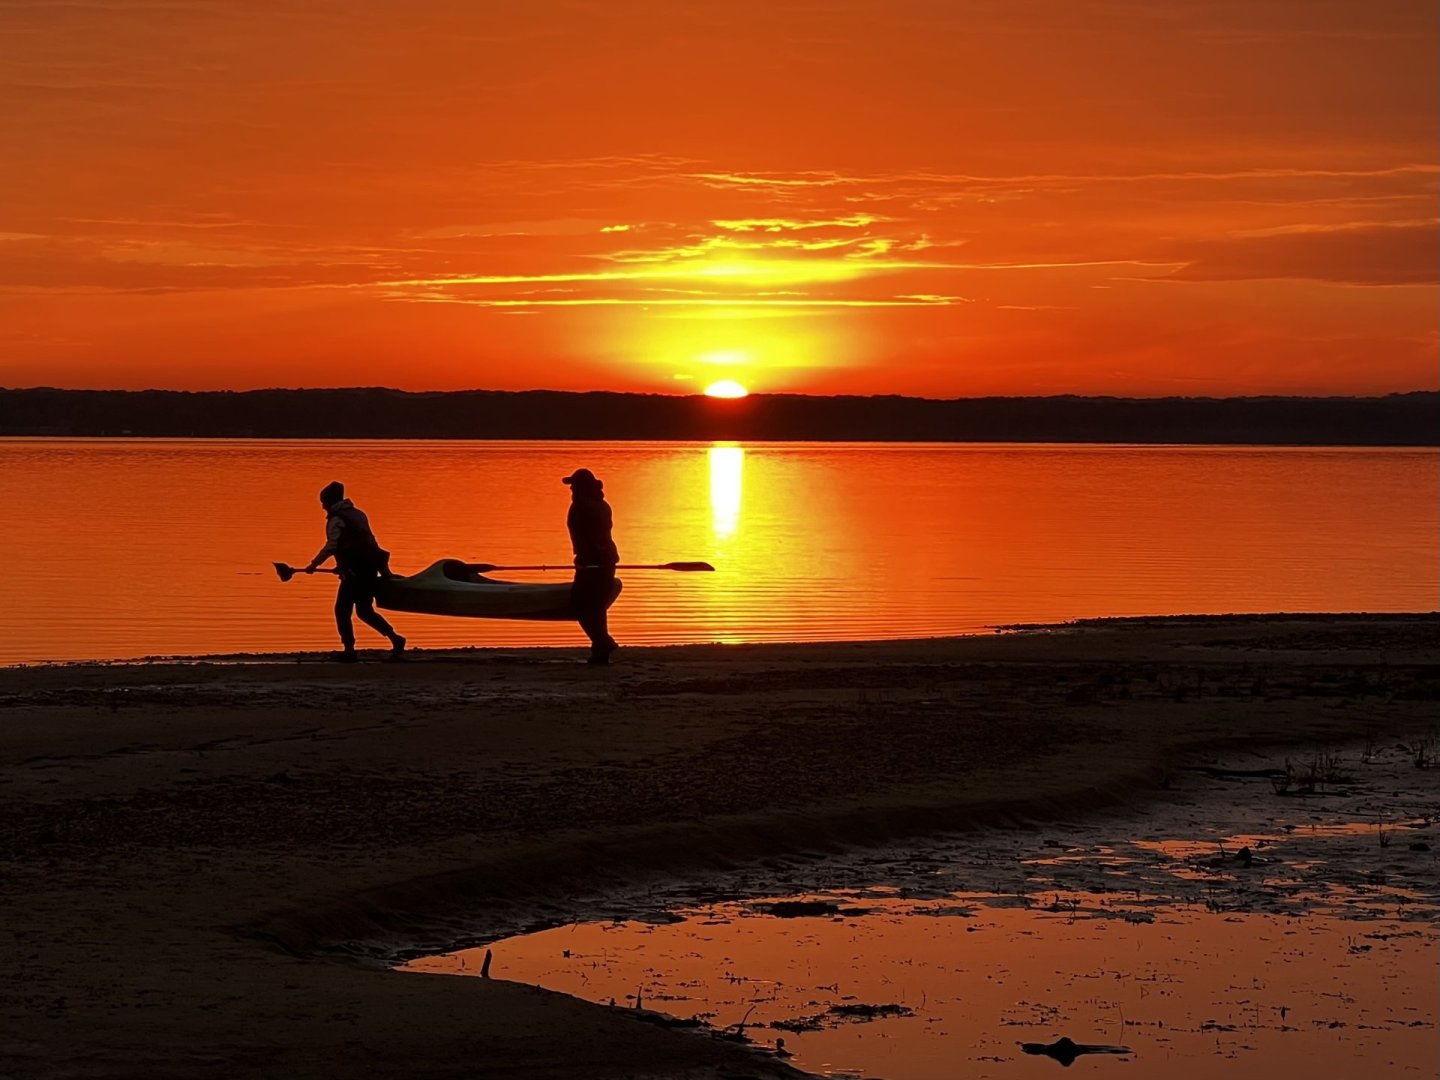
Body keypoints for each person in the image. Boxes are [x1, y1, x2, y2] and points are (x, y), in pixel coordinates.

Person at [304, 481, 405, 662]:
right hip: (367, 569)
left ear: (329, 501)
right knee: (364, 610)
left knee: (342, 610)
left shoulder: (336, 519)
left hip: (354, 572)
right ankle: (395, 638)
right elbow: (368, 542)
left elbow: (332, 546)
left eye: (323, 502)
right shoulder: (358, 514)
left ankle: (349, 650)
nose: (322, 506)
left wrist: (314, 564)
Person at [562, 468, 619, 664]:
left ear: (582, 488)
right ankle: (600, 652)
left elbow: (589, 536)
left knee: (580, 605)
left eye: (574, 486)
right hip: (606, 560)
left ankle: (603, 641)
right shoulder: (602, 504)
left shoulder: (582, 506)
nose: (571, 490)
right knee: (597, 607)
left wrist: (587, 558)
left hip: (591, 562)